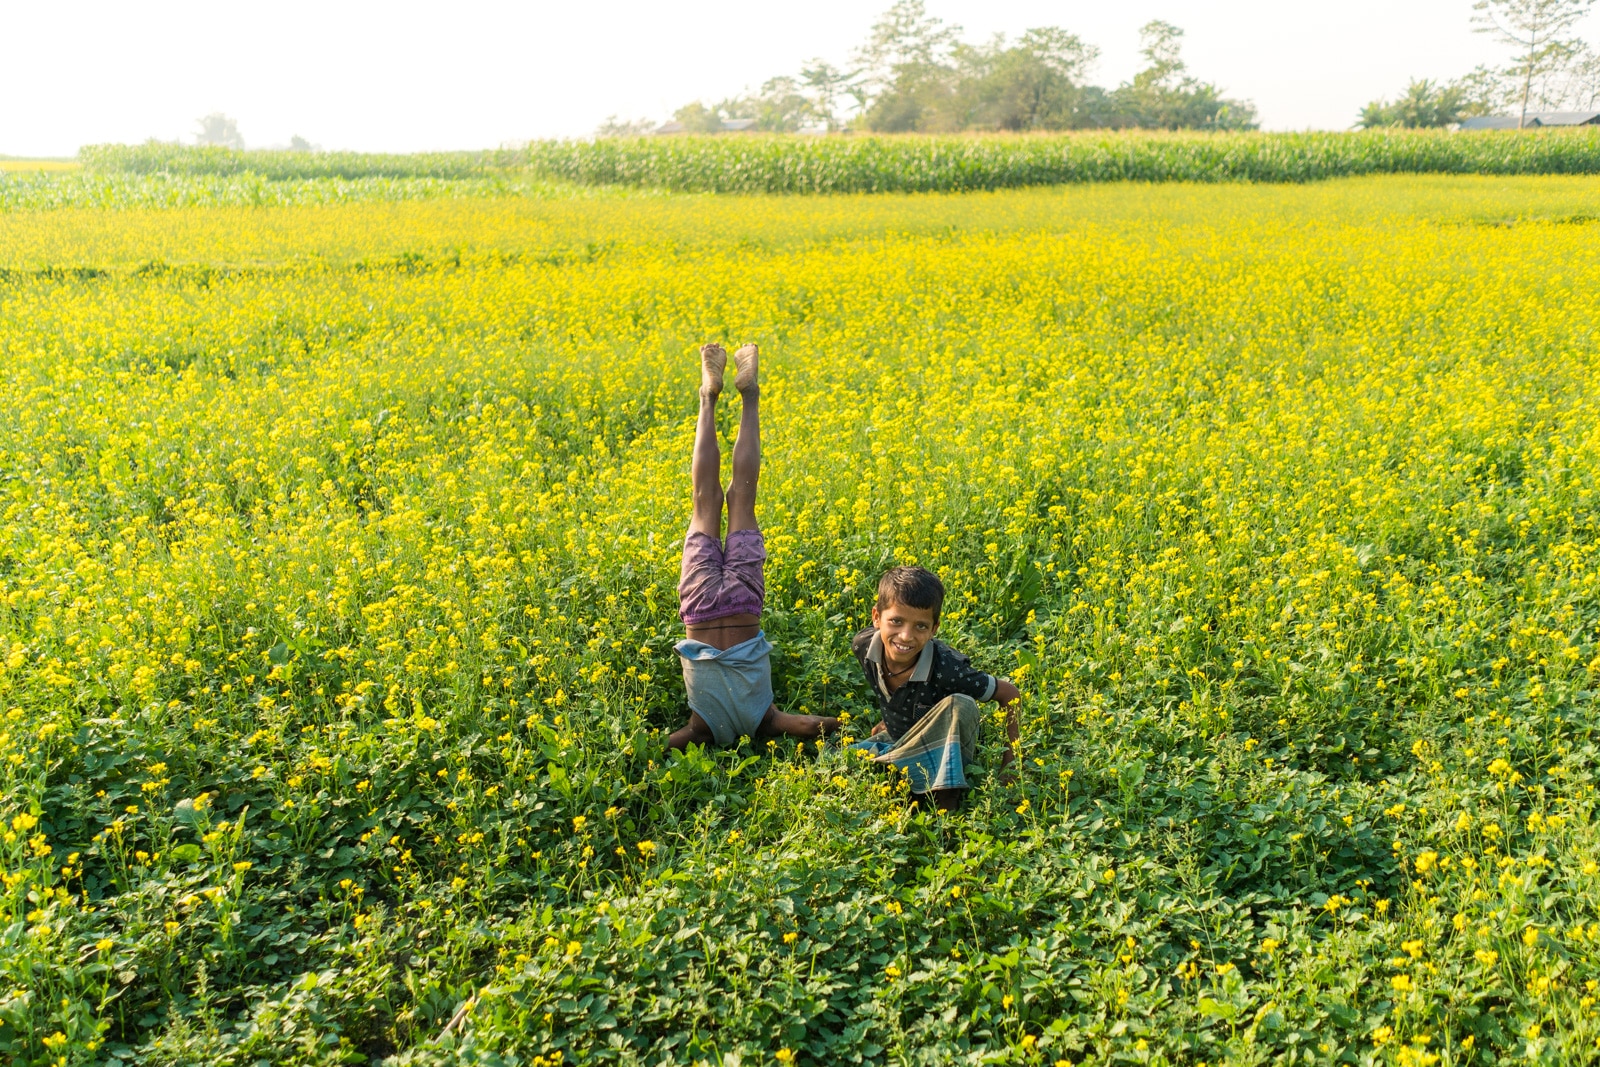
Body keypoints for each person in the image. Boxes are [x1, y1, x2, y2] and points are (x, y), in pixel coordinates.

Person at [667, 342, 839, 751]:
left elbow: (812, 725)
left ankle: (749, 395)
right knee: (705, 500)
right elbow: (673, 742)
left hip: (744, 606)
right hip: (701, 609)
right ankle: (707, 398)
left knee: (743, 496)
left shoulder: (768, 718)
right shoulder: (701, 727)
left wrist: (839, 723)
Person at [849, 566, 1021, 810]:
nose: (906, 636)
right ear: (876, 617)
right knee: (842, 758)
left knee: (960, 704)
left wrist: (1010, 766)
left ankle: (945, 795)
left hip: (944, 747)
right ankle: (905, 776)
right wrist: (892, 715)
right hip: (901, 737)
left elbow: (1009, 693)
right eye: (896, 621)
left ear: (934, 629)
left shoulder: (947, 670)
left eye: (920, 626)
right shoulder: (864, 647)